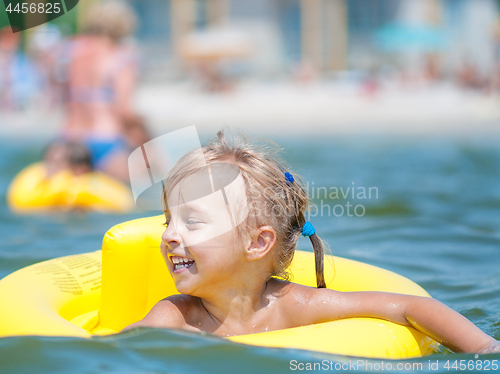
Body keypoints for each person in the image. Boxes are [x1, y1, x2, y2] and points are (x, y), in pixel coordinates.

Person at [123, 131, 499, 354]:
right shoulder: (175, 314)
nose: (170, 235)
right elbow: (129, 347)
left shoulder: (295, 307)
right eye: (169, 220)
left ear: (257, 244)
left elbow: (407, 307)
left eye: (192, 222)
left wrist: (486, 350)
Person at [61, 1, 138, 182]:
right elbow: (123, 109)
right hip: (106, 140)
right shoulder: (122, 56)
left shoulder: (72, 51)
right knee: (124, 200)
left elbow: (63, 96)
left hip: (69, 138)